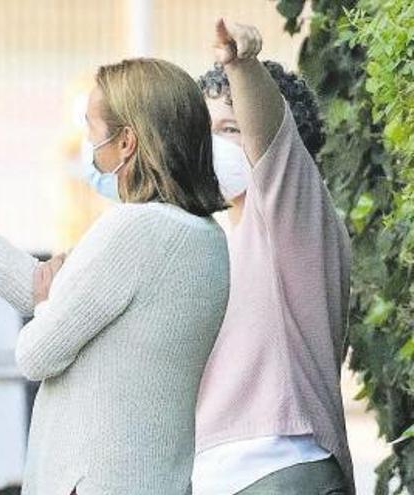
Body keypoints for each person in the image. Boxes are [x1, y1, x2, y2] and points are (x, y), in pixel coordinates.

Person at [0, 58, 230, 494]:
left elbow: (36, 352)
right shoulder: (205, 237)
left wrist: (50, 302)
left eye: (92, 130)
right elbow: (42, 292)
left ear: (126, 141)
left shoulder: (134, 230)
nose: (88, 145)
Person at [191, 20, 354, 494]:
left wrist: (241, 67)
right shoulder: (213, 233)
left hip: (280, 469)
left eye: (230, 128)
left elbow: (270, 135)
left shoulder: (293, 216)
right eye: (206, 131)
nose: (213, 146)